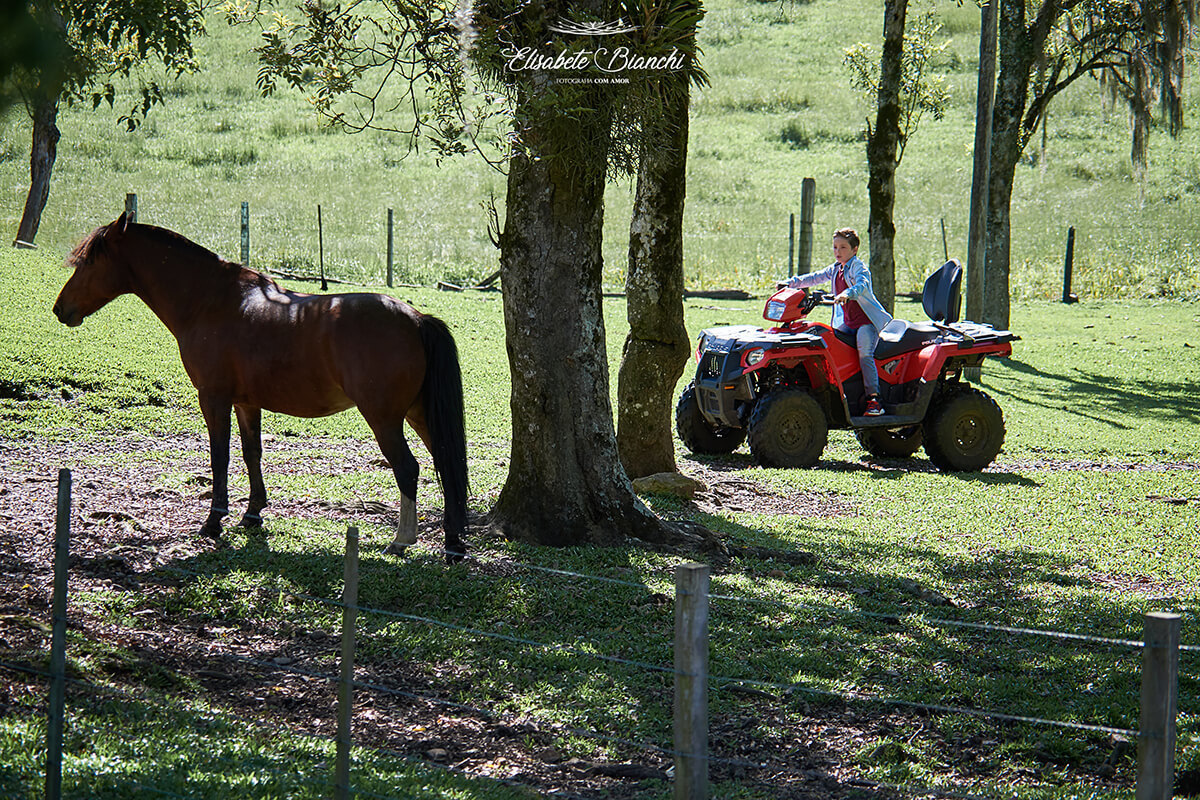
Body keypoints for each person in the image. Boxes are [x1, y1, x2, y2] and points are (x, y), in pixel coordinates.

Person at [780, 228, 892, 416]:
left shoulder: (858, 267)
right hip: (848, 323)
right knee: (830, 344)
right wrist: (790, 283)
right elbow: (814, 277)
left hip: (865, 323)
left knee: (865, 354)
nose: (838, 251)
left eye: (843, 247)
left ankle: (875, 400)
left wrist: (848, 293)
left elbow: (862, 285)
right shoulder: (835, 268)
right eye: (835, 247)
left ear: (855, 249)